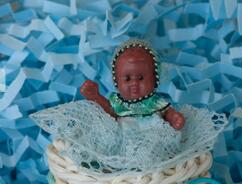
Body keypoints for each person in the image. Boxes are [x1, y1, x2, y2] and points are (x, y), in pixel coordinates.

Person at [30, 39, 226, 175]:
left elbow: (167, 113)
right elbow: (109, 114)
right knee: (108, 145)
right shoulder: (118, 102)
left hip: (154, 140)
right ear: (116, 81)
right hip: (123, 140)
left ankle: (151, 173)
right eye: (127, 78)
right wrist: (95, 96)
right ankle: (115, 172)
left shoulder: (157, 102)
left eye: (141, 78)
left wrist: (174, 118)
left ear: (155, 79)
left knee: (163, 152)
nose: (134, 84)